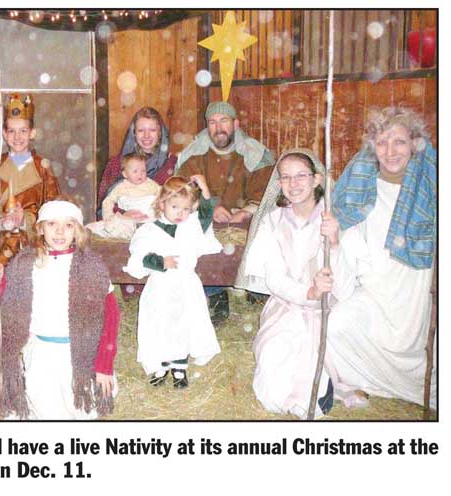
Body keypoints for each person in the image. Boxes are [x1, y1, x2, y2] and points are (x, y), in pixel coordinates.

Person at [327, 106, 437, 409]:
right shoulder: (361, 185)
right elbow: (346, 237)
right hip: (373, 286)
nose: (390, 151)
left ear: (414, 144)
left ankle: (419, 384)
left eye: (399, 141)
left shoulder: (430, 187)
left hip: (414, 286)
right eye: (382, 142)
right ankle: (371, 382)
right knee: (337, 324)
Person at [242, 149, 352, 419]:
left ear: (316, 179)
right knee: (273, 375)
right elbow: (275, 279)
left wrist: (334, 244)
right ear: (279, 183)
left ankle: (323, 386)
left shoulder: (334, 220)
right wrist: (308, 292)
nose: (293, 184)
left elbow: (346, 283)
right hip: (287, 306)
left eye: (301, 175)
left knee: (316, 353)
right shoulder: (272, 222)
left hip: (329, 309)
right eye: (286, 177)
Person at [0, 198, 119, 420]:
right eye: (52, 224)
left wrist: (104, 365)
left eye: (68, 225)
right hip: (41, 354)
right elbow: (0, 312)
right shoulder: (24, 265)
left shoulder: (92, 268)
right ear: (40, 228)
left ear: (77, 230)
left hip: (82, 354)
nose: (59, 231)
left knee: (82, 410)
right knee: (46, 410)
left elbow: (111, 318)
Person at [177, 101, 275, 324]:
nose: (218, 127)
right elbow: (182, 191)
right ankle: (215, 292)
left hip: (245, 221)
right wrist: (209, 207)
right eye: (212, 122)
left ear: (236, 124)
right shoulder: (194, 154)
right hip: (208, 220)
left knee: (266, 229)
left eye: (224, 121)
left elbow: (267, 191)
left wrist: (247, 211)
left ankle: (255, 286)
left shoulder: (255, 153)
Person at [124, 175, 222, 389]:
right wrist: (161, 262)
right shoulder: (150, 230)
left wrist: (204, 188)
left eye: (186, 209)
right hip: (161, 286)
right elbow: (139, 256)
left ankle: (179, 366)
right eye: (175, 207)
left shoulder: (191, 226)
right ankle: (161, 364)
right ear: (162, 204)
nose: (180, 213)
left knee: (183, 323)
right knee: (160, 323)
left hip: (186, 285)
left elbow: (205, 215)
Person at [0, 93, 61, 264]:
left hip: (32, 248)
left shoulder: (43, 168)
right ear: (4, 134)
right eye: (11, 131)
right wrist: (0, 221)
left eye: (23, 131)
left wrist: (26, 220)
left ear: (32, 133)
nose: (17, 137)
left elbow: (54, 210)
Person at [97, 106, 176, 217]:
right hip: (123, 223)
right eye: (141, 130)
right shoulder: (116, 163)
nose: (146, 135)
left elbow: (179, 201)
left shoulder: (171, 163)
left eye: (152, 130)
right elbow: (103, 203)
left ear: (160, 133)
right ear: (134, 133)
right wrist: (124, 214)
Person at [87, 153, 161, 239]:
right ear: (125, 174)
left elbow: (163, 194)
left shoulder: (151, 184)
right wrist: (109, 216)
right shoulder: (121, 187)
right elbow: (108, 201)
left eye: (143, 170)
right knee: (112, 225)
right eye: (135, 171)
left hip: (149, 214)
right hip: (130, 217)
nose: (140, 174)